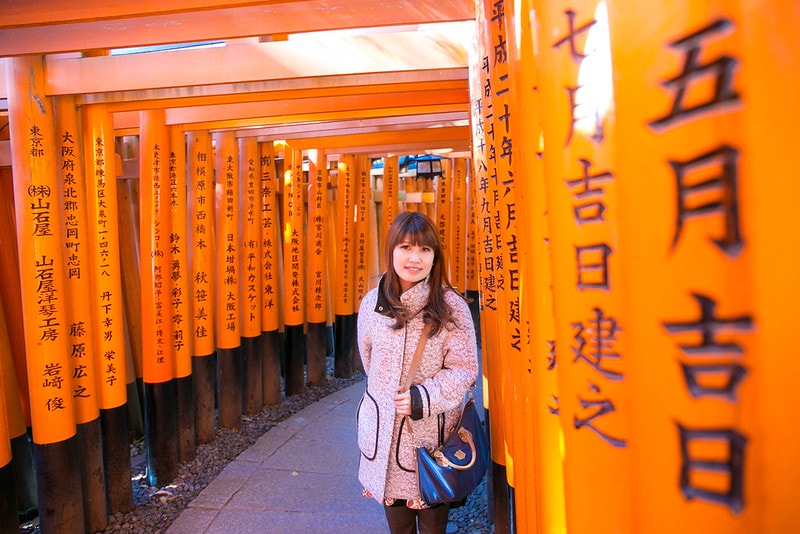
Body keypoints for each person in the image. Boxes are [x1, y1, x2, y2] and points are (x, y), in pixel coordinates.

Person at [356, 211, 479, 534]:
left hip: (429, 440)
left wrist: (421, 398)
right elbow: (368, 360)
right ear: (391, 250)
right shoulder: (372, 303)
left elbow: (464, 368)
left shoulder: (450, 307)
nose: (415, 258)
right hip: (382, 435)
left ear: (435, 256)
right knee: (397, 524)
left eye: (425, 250)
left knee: (433, 522)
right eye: (407, 247)